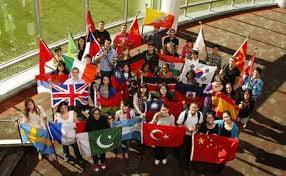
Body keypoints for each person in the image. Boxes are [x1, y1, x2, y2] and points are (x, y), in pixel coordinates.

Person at [177, 102, 203, 168]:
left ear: (198, 109)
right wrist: (188, 129)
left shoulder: (200, 114)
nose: (193, 109)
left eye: (195, 107)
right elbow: (178, 124)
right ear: (189, 107)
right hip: (184, 134)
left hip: (193, 135)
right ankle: (180, 163)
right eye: (192, 107)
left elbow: (199, 124)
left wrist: (196, 128)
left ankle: (188, 162)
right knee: (182, 148)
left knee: (190, 149)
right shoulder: (184, 114)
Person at [86, 108, 110, 172]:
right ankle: (96, 163)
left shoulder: (104, 119)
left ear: (100, 114)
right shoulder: (89, 121)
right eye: (95, 114)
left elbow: (108, 128)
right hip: (93, 139)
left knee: (102, 151)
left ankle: (103, 161)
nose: (96, 115)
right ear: (92, 114)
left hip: (101, 139)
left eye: (98, 114)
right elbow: (87, 131)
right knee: (94, 152)